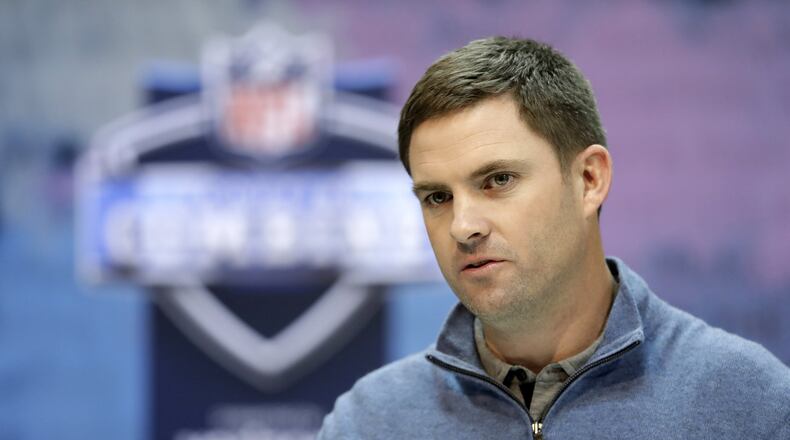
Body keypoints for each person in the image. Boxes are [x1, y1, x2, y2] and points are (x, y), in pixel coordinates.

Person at [318, 36, 790, 439]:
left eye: (497, 180)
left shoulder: (746, 405)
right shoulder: (369, 422)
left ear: (589, 179)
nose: (463, 226)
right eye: (437, 197)